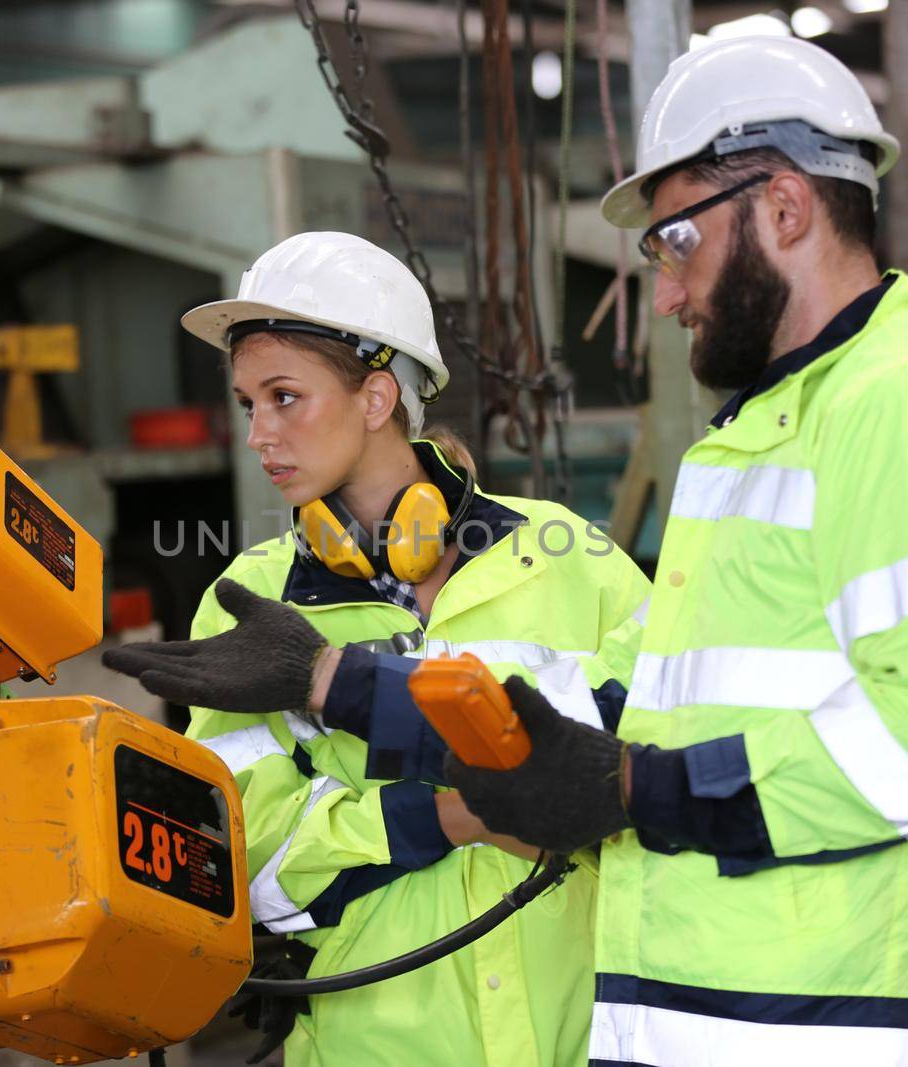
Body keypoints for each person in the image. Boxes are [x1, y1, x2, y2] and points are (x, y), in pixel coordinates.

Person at [444, 37, 908, 1067]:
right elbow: (670, 697)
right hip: (711, 1018)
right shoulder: (757, 436)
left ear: (782, 209)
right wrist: (359, 689)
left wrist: (639, 790)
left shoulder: (906, 406)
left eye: (676, 240)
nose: (668, 292)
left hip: (826, 1031)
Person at [103, 231, 650, 1067]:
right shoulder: (252, 603)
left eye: (286, 396)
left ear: (377, 397)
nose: (259, 434)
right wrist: (458, 812)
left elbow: (654, 765)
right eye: (248, 401)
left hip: (585, 1035)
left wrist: (364, 821)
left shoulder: (567, 555)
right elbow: (246, 861)